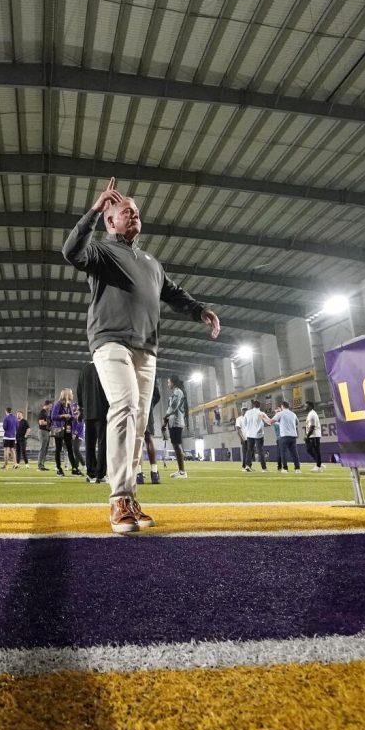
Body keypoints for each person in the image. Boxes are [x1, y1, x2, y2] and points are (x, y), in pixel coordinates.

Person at [64, 177, 220, 532]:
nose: (133, 215)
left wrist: (200, 311)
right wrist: (93, 210)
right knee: (124, 406)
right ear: (110, 220)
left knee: (139, 422)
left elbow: (174, 293)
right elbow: (71, 252)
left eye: (136, 212)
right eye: (125, 211)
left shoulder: (152, 262)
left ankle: (131, 497)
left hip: (147, 348)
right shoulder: (102, 251)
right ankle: (118, 499)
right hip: (110, 341)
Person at [77, 361, 109, 484]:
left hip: (88, 412)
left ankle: (91, 474)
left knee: (89, 444)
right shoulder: (104, 366)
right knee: (102, 443)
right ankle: (101, 474)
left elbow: (79, 390)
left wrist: (81, 407)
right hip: (102, 411)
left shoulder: (84, 370)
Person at [51, 388, 82, 477]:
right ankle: (59, 469)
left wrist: (74, 417)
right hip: (59, 429)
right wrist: (63, 415)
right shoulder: (58, 404)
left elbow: (71, 417)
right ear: (67, 394)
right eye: (71, 393)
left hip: (68, 429)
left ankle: (74, 469)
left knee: (70, 449)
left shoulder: (69, 405)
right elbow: (53, 417)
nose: (72, 394)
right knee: (58, 449)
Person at [163, 375, 189, 479]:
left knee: (177, 446)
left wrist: (165, 416)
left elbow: (173, 407)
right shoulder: (176, 392)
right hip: (173, 422)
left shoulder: (178, 392)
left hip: (177, 422)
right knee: (176, 445)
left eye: (169, 382)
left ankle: (182, 472)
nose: (168, 384)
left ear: (173, 383)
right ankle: (180, 471)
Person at [137, 382, 161, 485]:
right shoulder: (150, 367)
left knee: (137, 442)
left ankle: (138, 474)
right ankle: (154, 473)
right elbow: (157, 394)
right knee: (148, 438)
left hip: (135, 406)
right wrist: (150, 405)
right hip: (147, 405)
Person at [271, 398, 301, 473]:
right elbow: (297, 423)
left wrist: (264, 418)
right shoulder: (293, 414)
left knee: (283, 452)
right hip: (293, 436)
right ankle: (297, 469)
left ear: (282, 406)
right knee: (294, 453)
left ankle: (285, 468)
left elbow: (271, 421)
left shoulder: (280, 413)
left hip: (284, 436)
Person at [241, 400, 269, 472]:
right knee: (260, 451)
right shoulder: (261, 413)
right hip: (258, 435)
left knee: (249, 450)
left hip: (250, 434)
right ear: (260, 406)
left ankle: (248, 466)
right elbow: (269, 422)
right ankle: (264, 468)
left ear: (253, 406)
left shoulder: (248, 412)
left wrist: (249, 429)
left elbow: (244, 423)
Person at [304, 400, 324, 472]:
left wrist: (307, 436)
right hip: (312, 435)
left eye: (306, 406)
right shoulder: (310, 413)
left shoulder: (312, 414)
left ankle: (318, 466)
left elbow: (312, 426)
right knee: (309, 450)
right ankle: (319, 463)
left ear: (310, 406)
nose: (304, 407)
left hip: (314, 435)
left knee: (316, 450)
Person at [36, 401, 53, 470]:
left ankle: (42, 465)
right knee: (42, 449)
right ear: (46, 405)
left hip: (46, 432)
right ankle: (40, 465)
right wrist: (50, 422)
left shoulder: (46, 412)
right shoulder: (42, 412)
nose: (51, 407)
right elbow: (41, 423)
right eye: (50, 406)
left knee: (45, 449)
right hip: (43, 432)